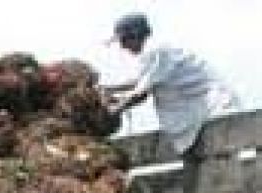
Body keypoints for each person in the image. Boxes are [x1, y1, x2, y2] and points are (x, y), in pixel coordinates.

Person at [103, 13, 240, 166]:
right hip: (195, 114)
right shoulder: (151, 52)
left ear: (135, 36)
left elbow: (141, 93)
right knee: (199, 163)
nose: (122, 46)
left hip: (213, 108)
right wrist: (108, 89)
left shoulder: (155, 51)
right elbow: (138, 82)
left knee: (220, 163)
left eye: (123, 40)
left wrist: (113, 110)